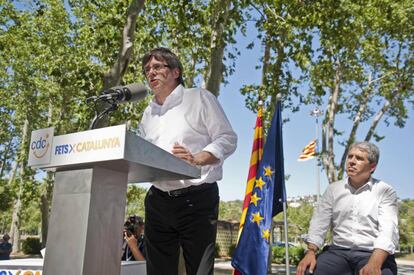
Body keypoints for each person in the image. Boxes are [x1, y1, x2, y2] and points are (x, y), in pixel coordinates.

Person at [139, 47, 237, 275]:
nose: (150, 73)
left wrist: (197, 158)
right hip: (157, 201)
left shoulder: (199, 98)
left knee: (200, 271)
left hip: (197, 199)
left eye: (157, 67)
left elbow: (227, 138)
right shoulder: (147, 114)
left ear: (175, 71)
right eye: (146, 70)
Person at [296, 141, 398, 275]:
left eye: (359, 158)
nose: (351, 161)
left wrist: (375, 263)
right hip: (338, 253)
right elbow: (319, 223)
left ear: (372, 167)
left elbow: (388, 230)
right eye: (350, 157)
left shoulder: (385, 190)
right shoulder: (333, 189)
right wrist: (310, 252)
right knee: (307, 271)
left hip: (372, 253)